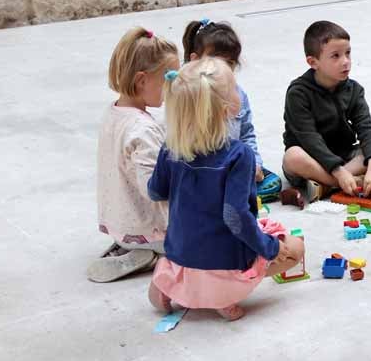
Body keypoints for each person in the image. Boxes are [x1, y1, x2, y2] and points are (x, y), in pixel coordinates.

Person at [148, 57, 304, 321]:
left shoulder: (170, 148)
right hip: (224, 264)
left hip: (179, 254)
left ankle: (169, 283)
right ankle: (224, 296)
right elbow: (235, 217)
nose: (238, 92)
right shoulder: (239, 155)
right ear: (225, 109)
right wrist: (270, 248)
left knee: (191, 250)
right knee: (295, 248)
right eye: (234, 88)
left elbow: (155, 192)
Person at [88, 27, 179, 283]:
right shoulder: (144, 129)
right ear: (142, 81)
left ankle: (127, 246)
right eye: (168, 80)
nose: (173, 87)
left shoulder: (114, 113)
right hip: (151, 228)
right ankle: (150, 253)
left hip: (120, 222)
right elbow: (154, 190)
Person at [281, 21, 371, 201]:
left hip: (344, 156)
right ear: (313, 62)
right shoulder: (298, 93)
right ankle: (344, 181)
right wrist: (338, 172)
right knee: (292, 156)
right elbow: (309, 138)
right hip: (312, 160)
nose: (346, 62)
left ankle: (327, 186)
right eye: (335, 56)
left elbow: (366, 128)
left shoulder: (354, 89)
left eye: (348, 53)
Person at [181, 19, 271, 187]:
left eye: (229, 63)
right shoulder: (187, 95)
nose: (221, 68)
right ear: (195, 61)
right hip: (200, 173)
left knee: (272, 182)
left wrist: (255, 163)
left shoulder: (239, 95)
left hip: (235, 165)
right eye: (214, 61)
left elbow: (246, 134)